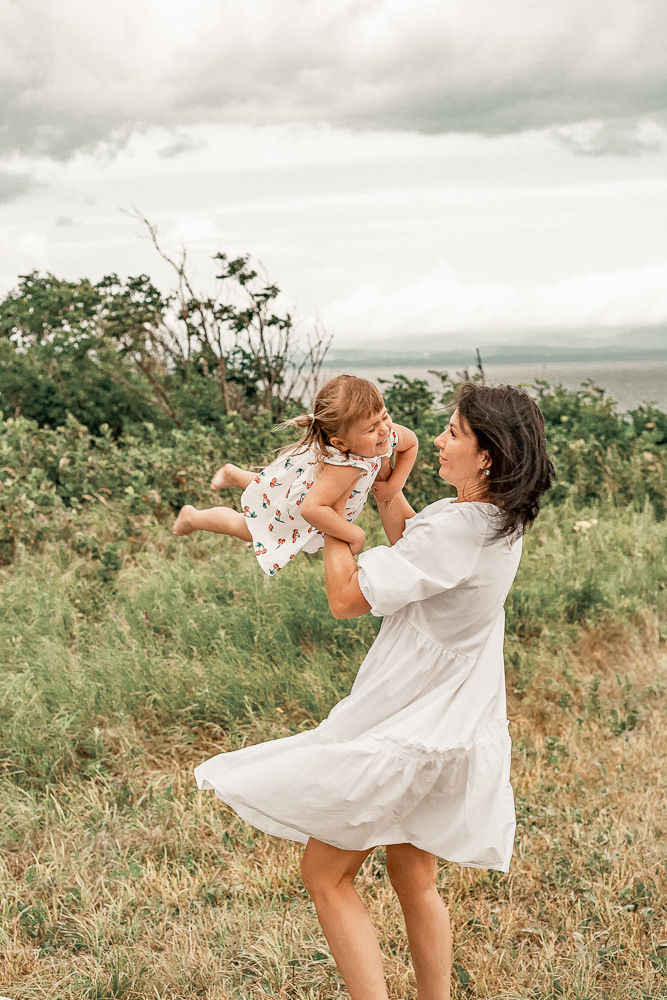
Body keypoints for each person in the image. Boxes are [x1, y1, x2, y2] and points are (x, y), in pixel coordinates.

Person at [195, 382, 555, 999]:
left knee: (325, 873)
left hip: (410, 718)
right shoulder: (495, 519)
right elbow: (423, 548)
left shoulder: (459, 528)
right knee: (414, 877)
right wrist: (388, 495)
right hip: (452, 714)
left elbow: (346, 599)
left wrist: (332, 522)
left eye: (453, 433)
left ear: (487, 455)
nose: (438, 441)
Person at [173, 374, 418, 575]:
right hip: (295, 512)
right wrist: (354, 533)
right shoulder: (344, 467)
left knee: (274, 490)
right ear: (341, 444)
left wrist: (395, 484)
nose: (385, 429)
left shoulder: (385, 435)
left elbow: (411, 444)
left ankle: (236, 476)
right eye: (371, 429)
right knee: (245, 527)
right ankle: (192, 517)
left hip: (304, 488)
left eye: (384, 415)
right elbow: (311, 510)